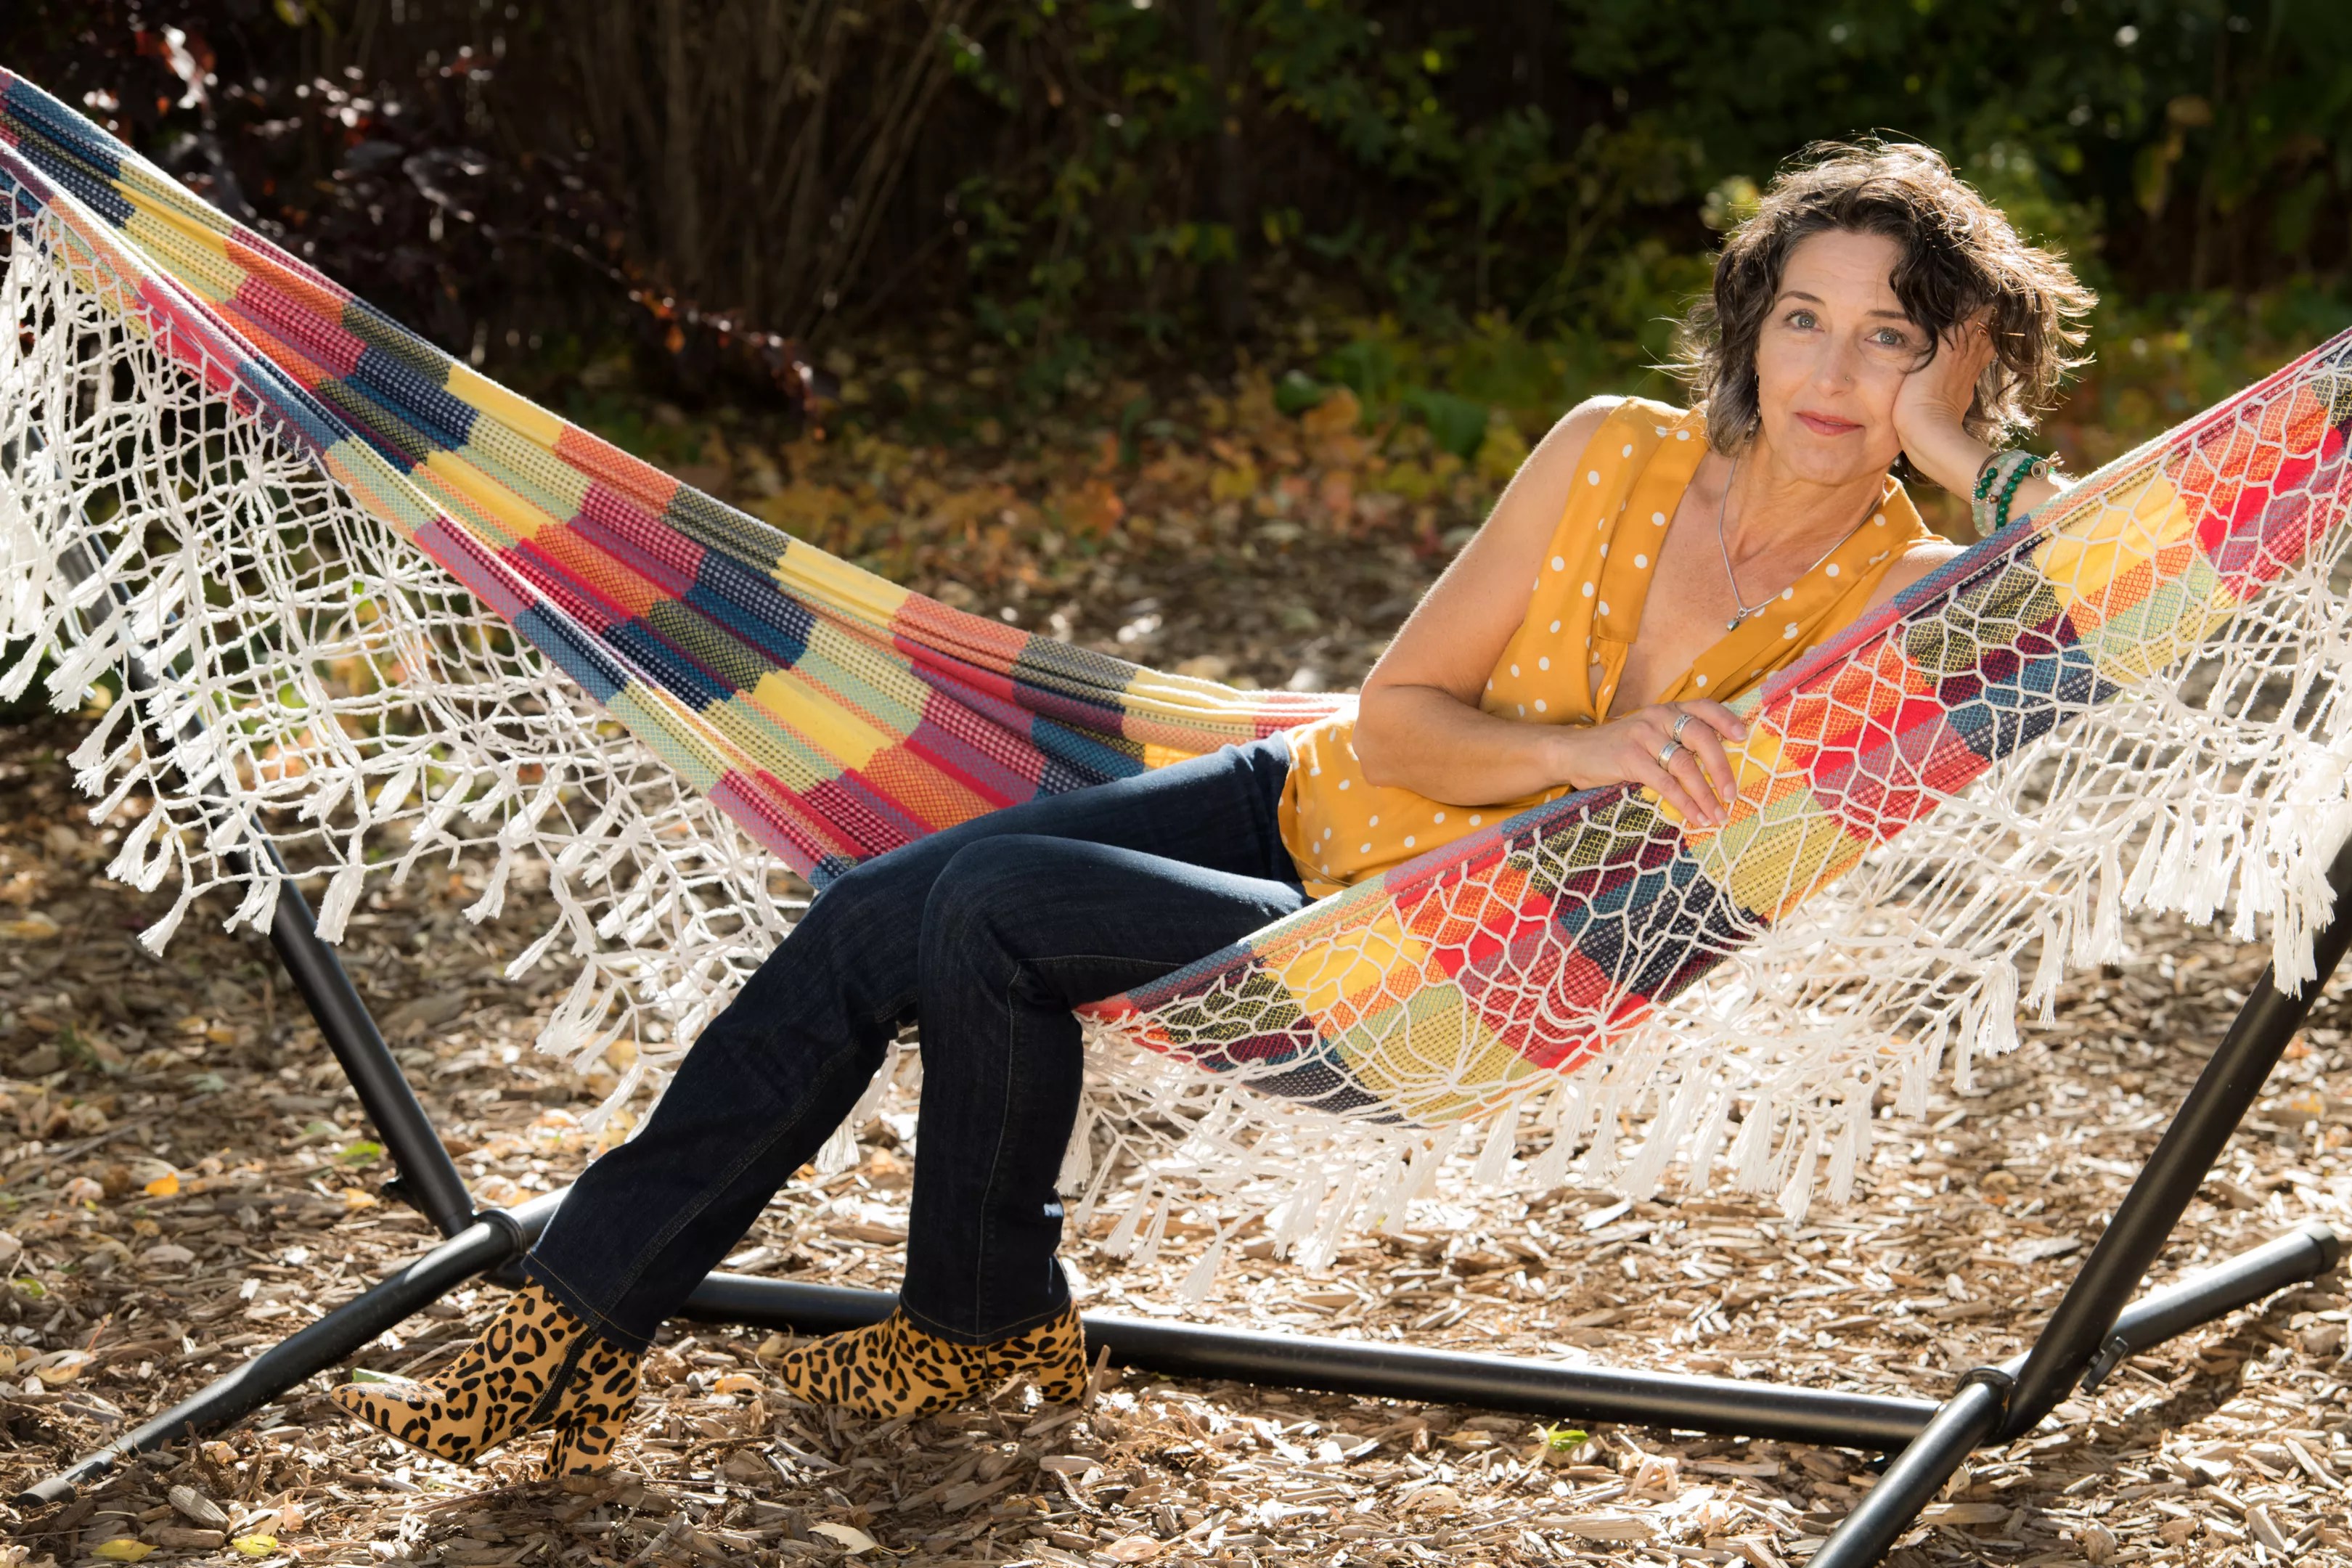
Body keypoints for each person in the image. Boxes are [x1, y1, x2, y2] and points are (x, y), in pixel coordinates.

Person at [327, 137, 2095, 1475]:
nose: (1832, 371)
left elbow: (2090, 602)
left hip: (1458, 951)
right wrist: (1582, 754)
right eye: (1805, 316)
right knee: (880, 907)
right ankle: (686, 1337)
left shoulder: (1899, 596)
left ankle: (898, 1323)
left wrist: (1958, 452)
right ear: (1750, 321)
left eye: (1892, 343)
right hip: (1302, 803)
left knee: (981, 914)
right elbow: (1397, 721)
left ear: (1955, 375)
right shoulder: (1616, 451)